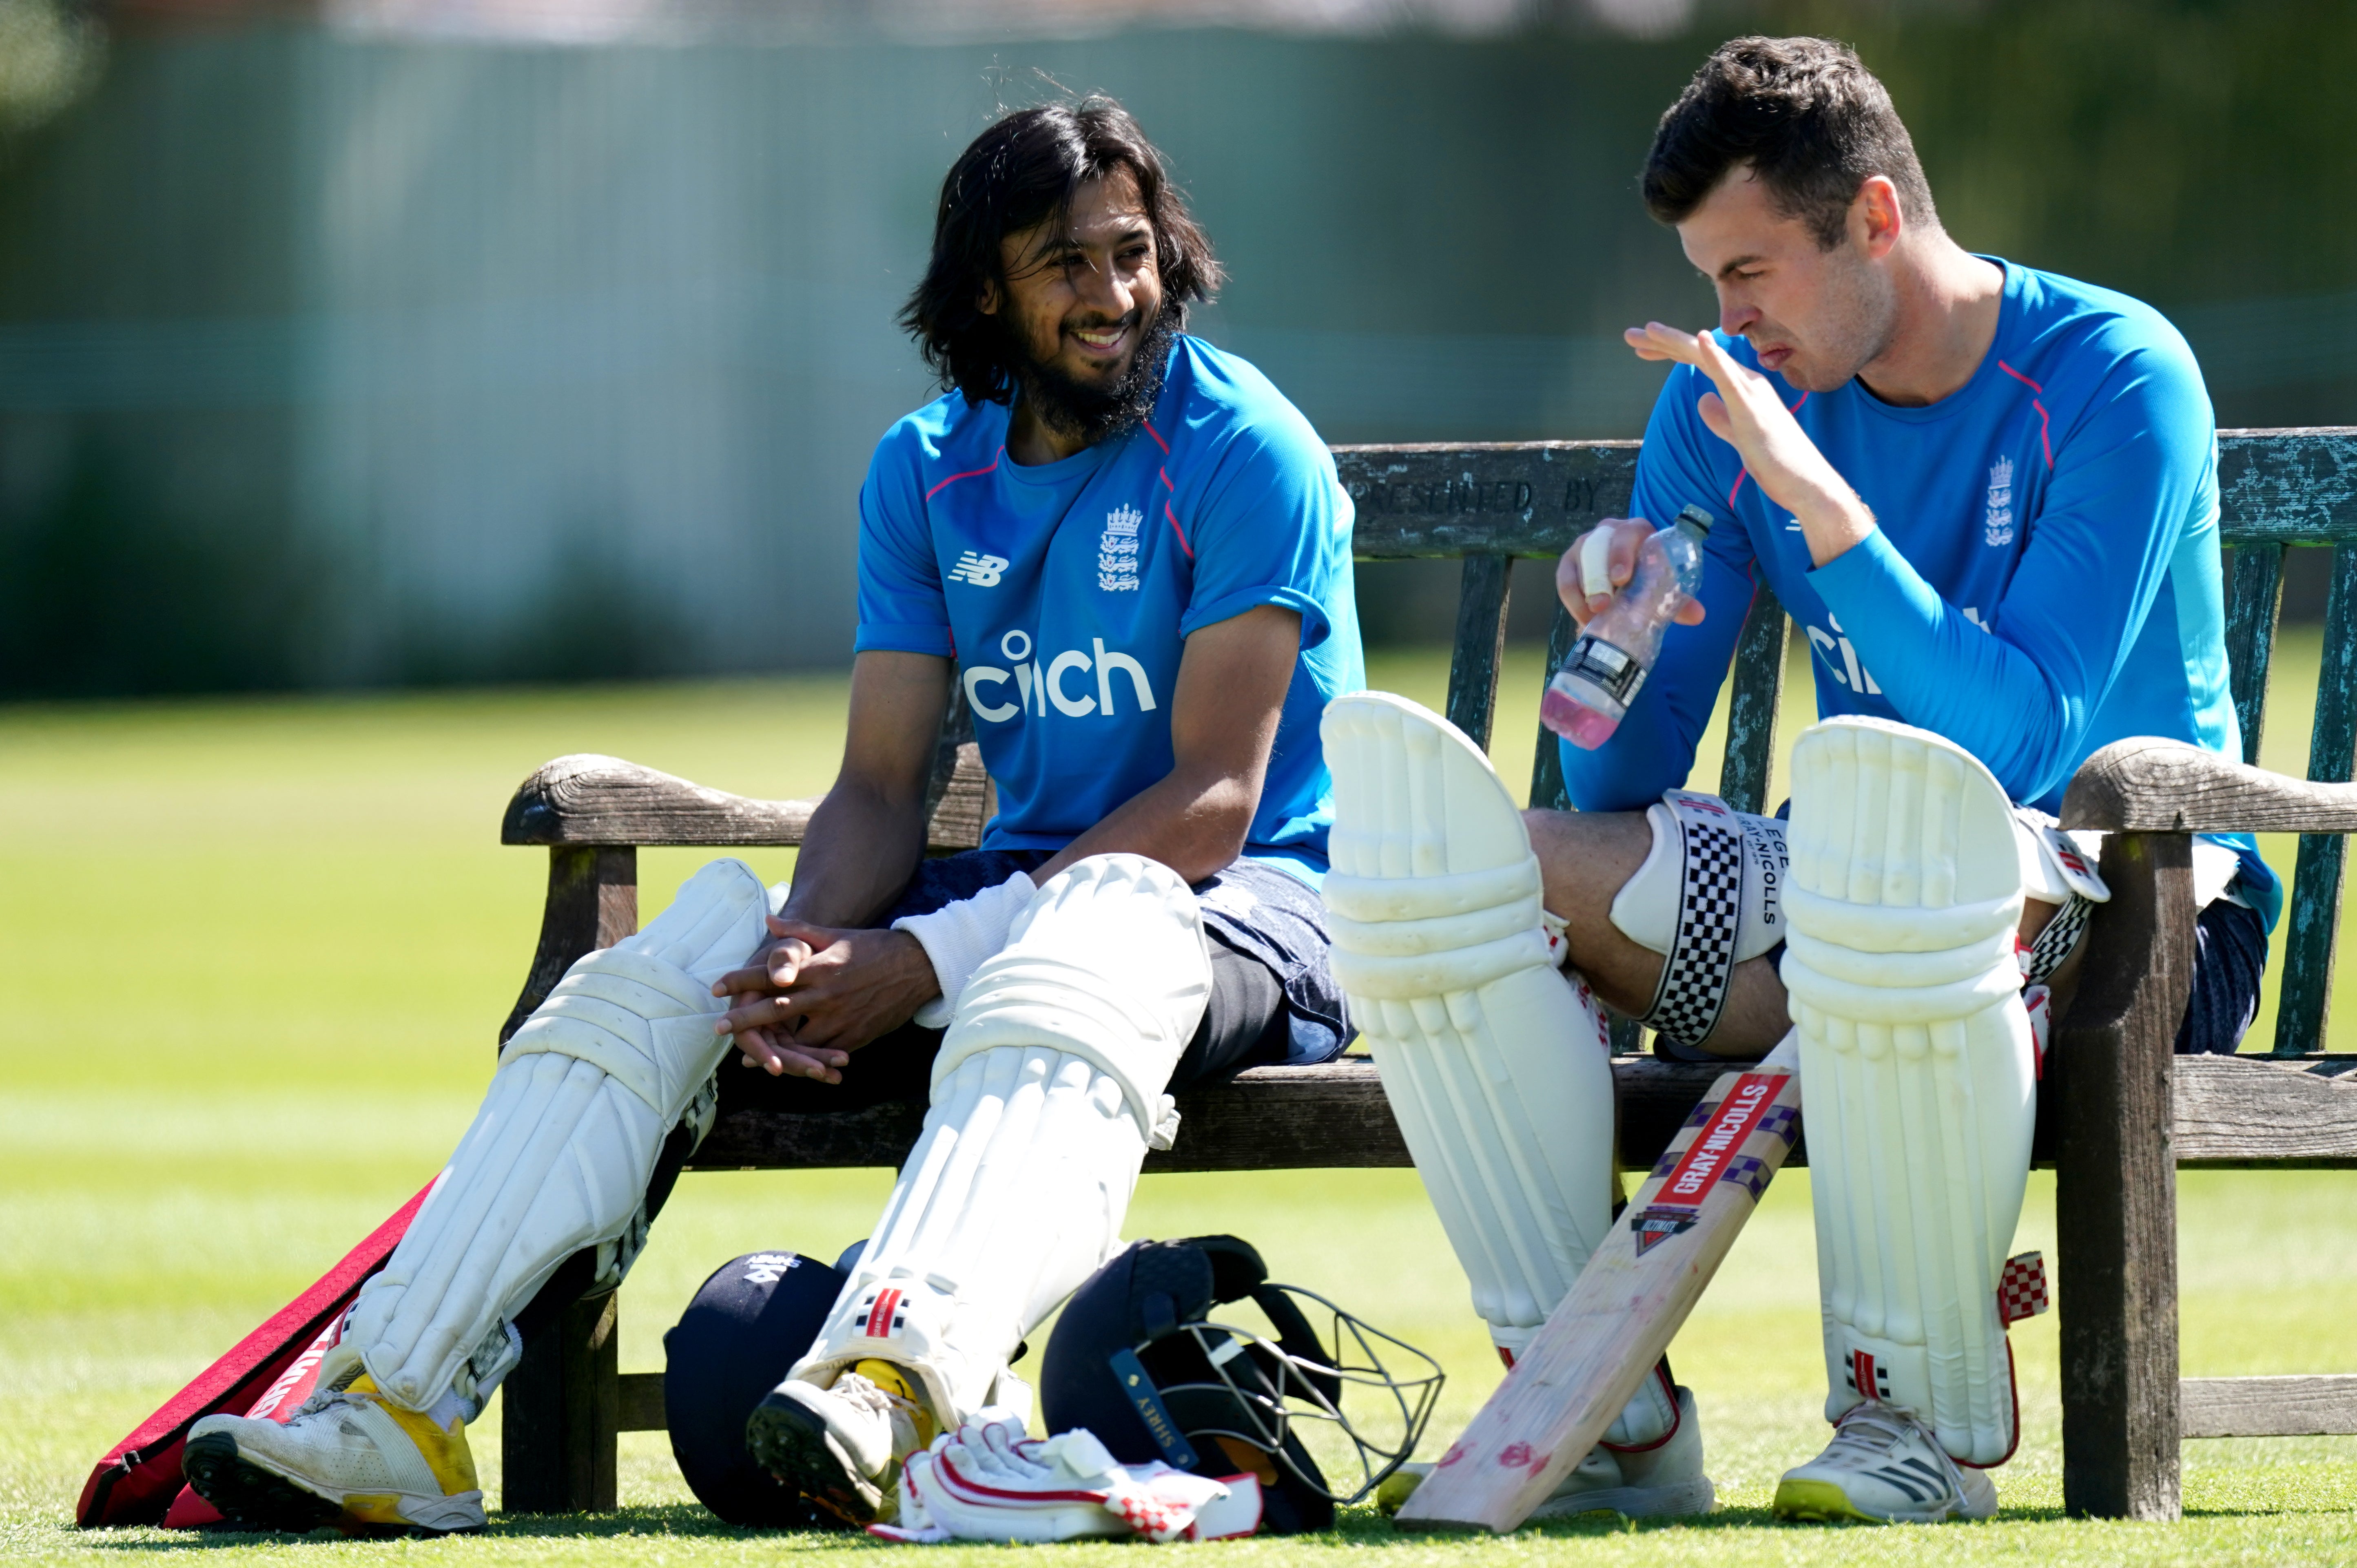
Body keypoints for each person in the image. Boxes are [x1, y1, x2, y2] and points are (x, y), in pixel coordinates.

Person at [179, 95, 1361, 1535]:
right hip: (1027, 906)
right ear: (983, 286)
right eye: (1064, 263)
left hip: (1258, 912)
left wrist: (926, 960)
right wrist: (802, 953)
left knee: (1093, 932)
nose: (1114, 296)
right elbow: (878, 787)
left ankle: (896, 1386)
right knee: (677, 961)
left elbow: (1216, 804)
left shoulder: (1244, 449)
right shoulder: (927, 467)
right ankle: (390, 1409)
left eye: (1132, 254)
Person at [1323, 35, 2276, 1529]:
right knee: (1461, 867)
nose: (1729, 319)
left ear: (1876, 219)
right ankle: (1599, 1420)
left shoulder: (2113, 375)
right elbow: (1623, 784)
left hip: (2138, 920)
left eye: (1751, 273)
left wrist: (1815, 502)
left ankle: (1913, 1423)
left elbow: (2022, 740)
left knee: (1900, 857)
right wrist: (1620, 632)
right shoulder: (1729, 403)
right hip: (1852, 919)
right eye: (1712, 282)